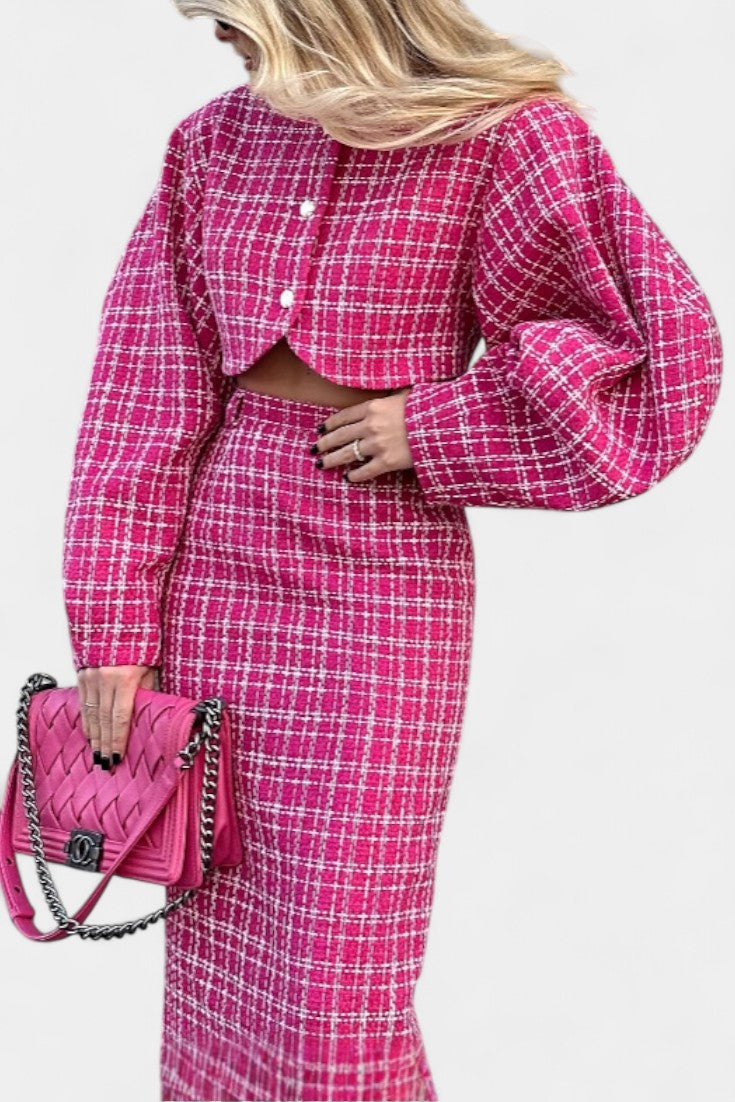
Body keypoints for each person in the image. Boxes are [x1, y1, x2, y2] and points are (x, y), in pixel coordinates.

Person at [61, 2, 723, 1099]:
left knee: (340, 978)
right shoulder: (211, 143)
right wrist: (115, 626)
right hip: (214, 577)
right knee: (222, 961)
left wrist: (440, 425)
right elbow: (143, 393)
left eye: (224, 10)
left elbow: (658, 355)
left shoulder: (508, 137)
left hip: (382, 586)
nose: (212, 30)